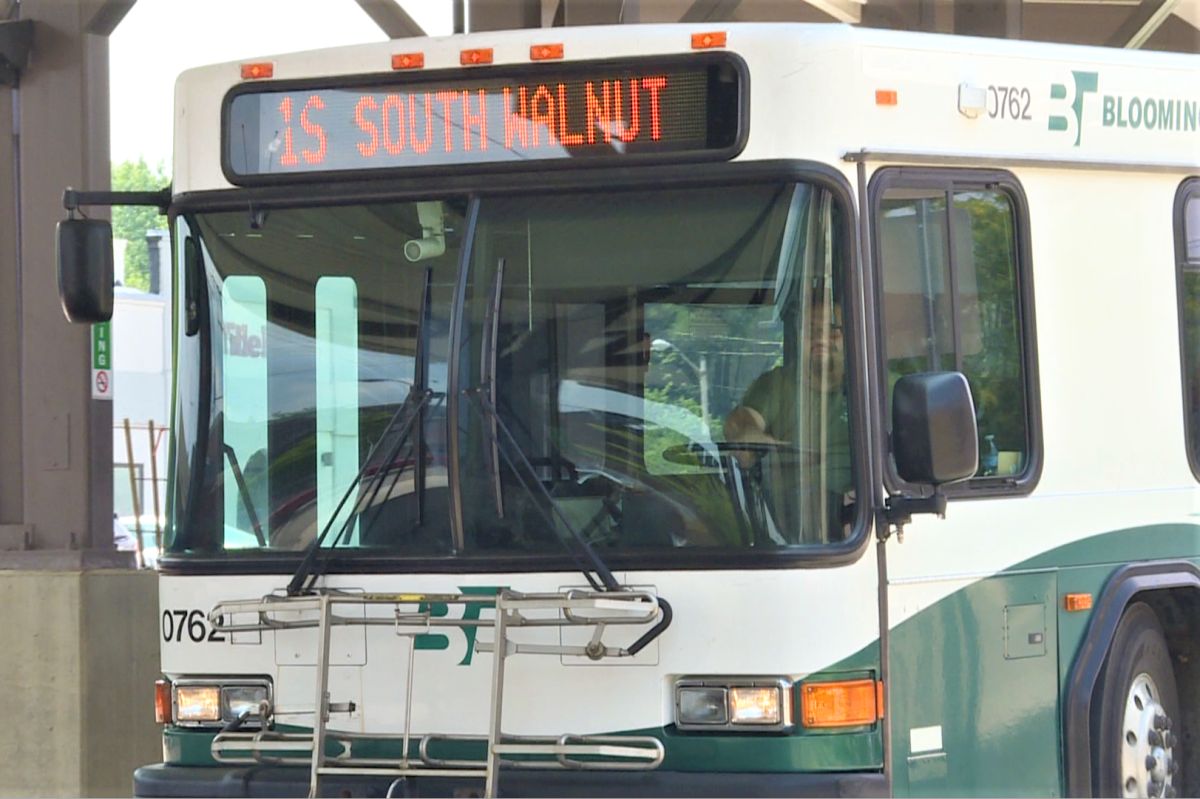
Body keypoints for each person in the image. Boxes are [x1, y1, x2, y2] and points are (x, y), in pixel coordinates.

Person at [723, 296, 853, 542]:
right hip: (794, 517)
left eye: (831, 329)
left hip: (865, 514)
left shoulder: (877, 388)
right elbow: (738, 425)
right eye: (811, 330)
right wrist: (764, 445)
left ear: (851, 336)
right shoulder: (777, 384)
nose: (820, 337)